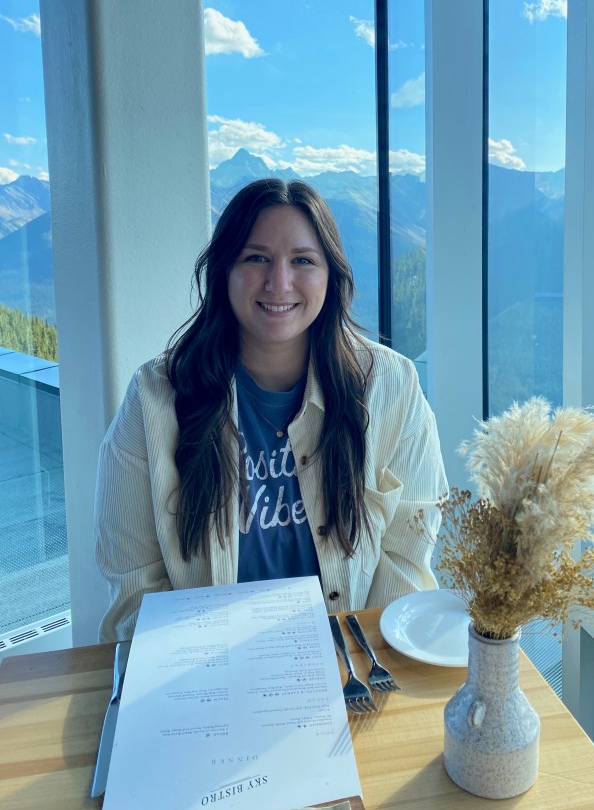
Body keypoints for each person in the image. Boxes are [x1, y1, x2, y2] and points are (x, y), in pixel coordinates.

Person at [95, 178, 447, 641]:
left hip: (352, 670)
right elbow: (135, 583)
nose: (278, 282)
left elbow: (405, 558)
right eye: (255, 257)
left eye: (303, 260)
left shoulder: (392, 388)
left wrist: (365, 667)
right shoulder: (155, 400)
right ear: (225, 271)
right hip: (203, 673)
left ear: (331, 276)